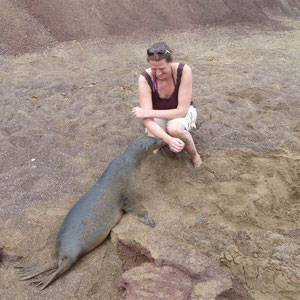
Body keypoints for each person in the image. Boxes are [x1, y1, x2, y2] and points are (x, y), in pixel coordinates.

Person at [132, 41, 202, 168]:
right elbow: (148, 121)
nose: (158, 73)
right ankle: (167, 137)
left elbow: (182, 111)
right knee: (153, 146)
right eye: (154, 69)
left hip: (182, 112)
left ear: (171, 62)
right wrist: (168, 140)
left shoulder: (183, 71)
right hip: (160, 115)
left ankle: (195, 156)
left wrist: (148, 112)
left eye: (162, 68)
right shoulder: (145, 79)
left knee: (174, 129)